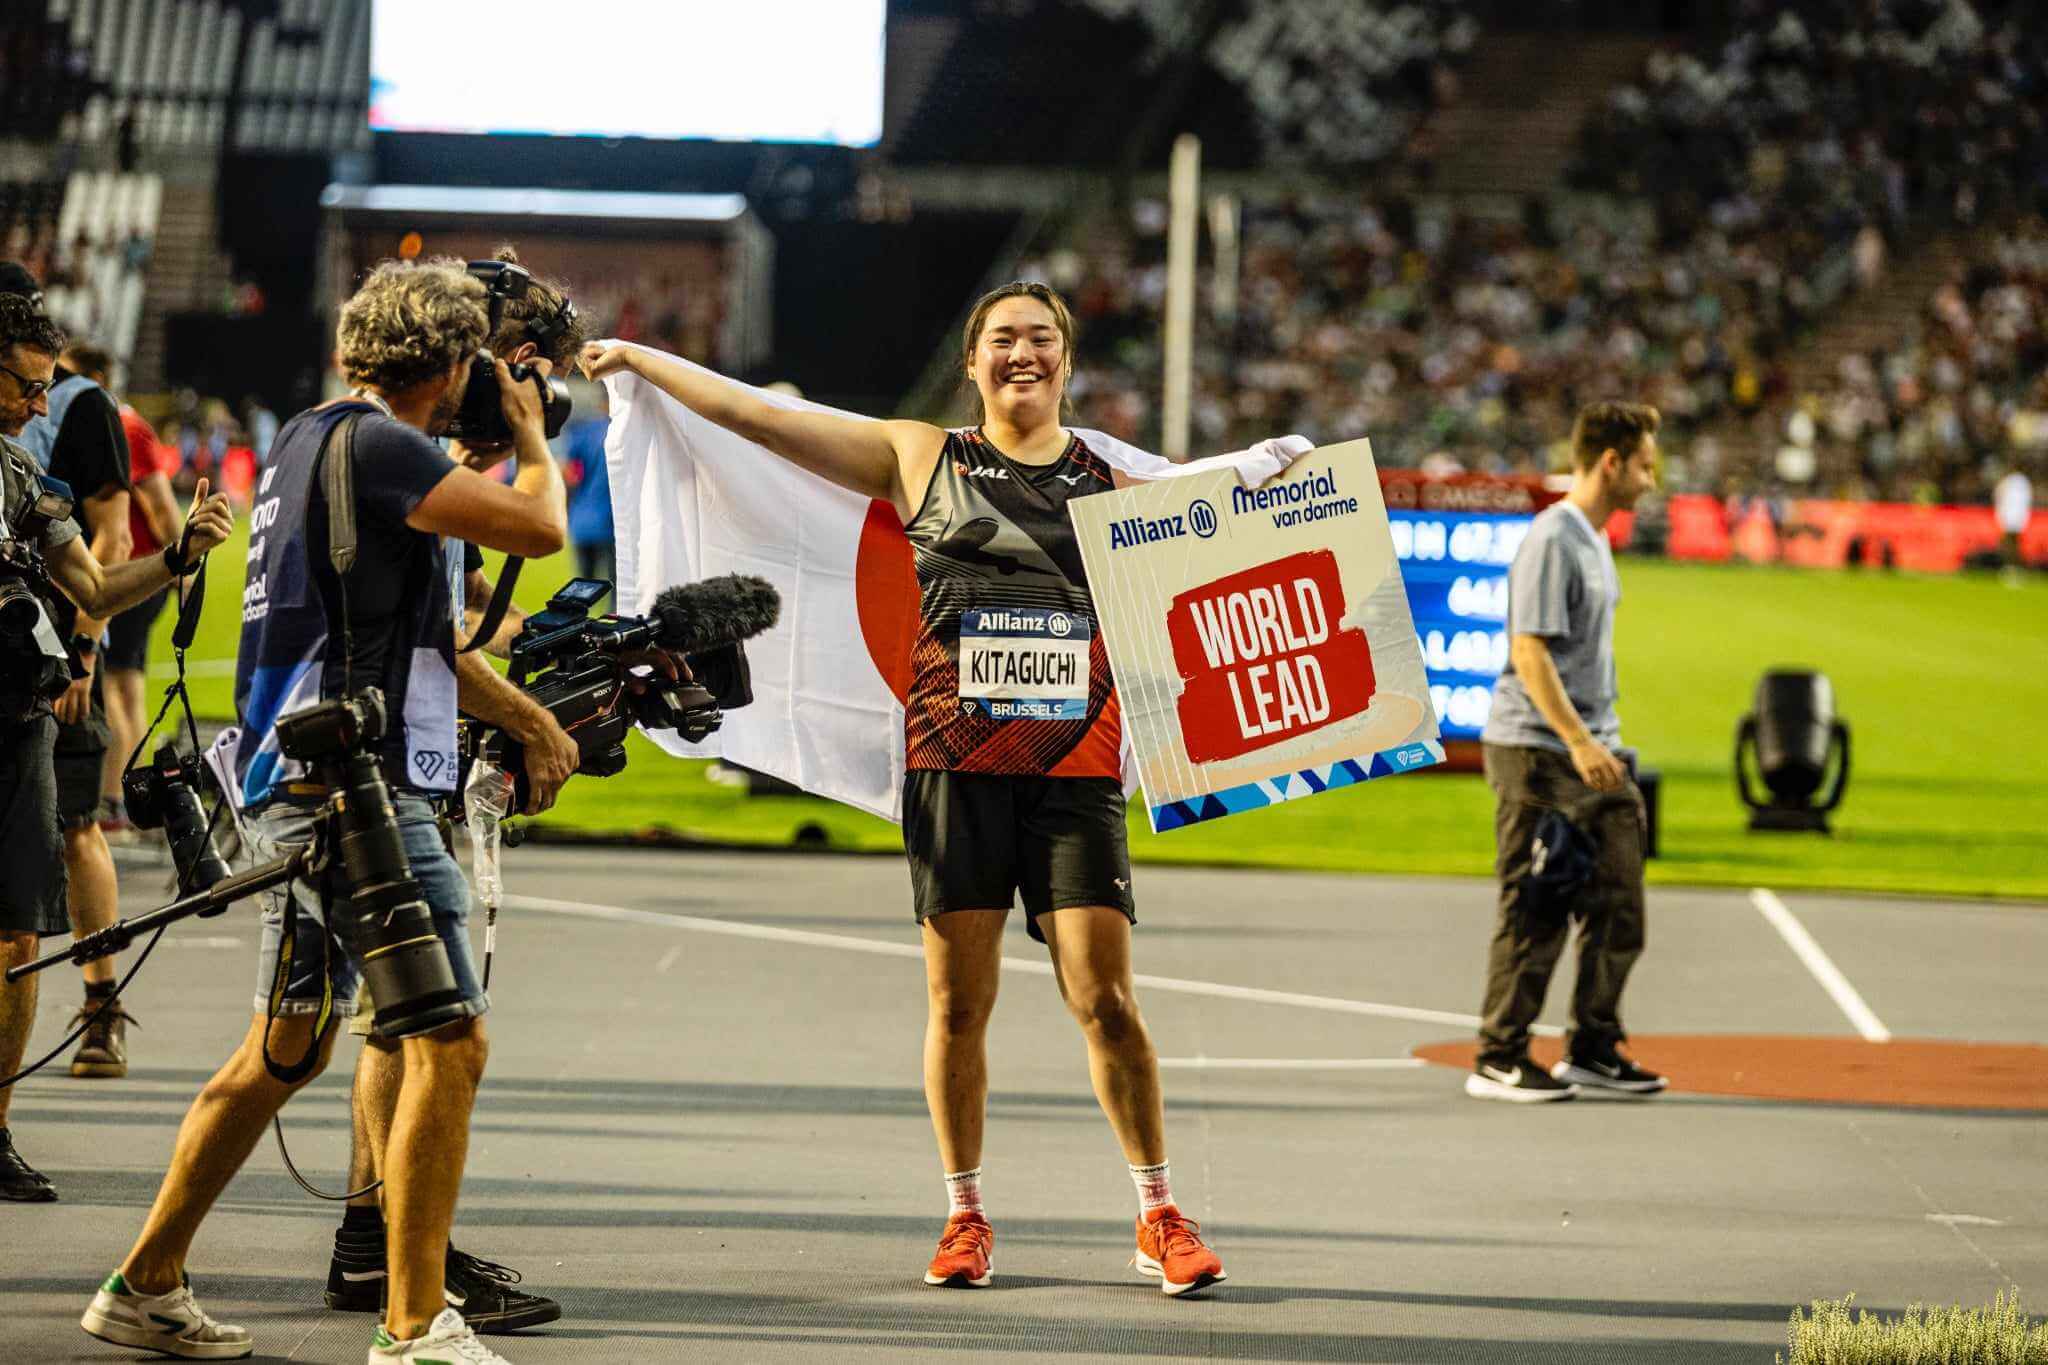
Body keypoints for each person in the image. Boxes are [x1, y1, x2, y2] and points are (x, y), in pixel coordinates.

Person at [581, 281, 1229, 1297]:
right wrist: (643, 363)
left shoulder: (1114, 476)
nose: (1024, 354)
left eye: (1043, 340)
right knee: (957, 1003)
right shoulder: (919, 455)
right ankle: (964, 1216)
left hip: (1074, 772)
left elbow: (1227, 509)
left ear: (1067, 359)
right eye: (1004, 340)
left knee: (1103, 998)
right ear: (973, 361)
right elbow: (761, 417)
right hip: (952, 769)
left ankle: (1158, 1213)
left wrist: (1287, 476)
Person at [78, 258, 568, 1365]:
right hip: (363, 788)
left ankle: (144, 1282)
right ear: (448, 362)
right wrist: (533, 440)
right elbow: (537, 527)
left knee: (283, 1050)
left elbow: (416, 618)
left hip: (294, 780)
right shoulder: (388, 445)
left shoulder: (310, 436)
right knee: (450, 1038)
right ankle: (411, 1324)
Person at [322, 246, 587, 1338]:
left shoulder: (386, 447)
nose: (538, 395)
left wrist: (566, 649)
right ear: (491, 362)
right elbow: (439, 631)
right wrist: (534, 721)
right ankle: (393, 1265)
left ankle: (370, 1238)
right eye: (531, 374)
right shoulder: (390, 452)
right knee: (424, 1026)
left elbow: (466, 609)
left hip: (379, 759)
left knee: (388, 1025)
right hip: (392, 766)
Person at [0, 295, 235, 1203]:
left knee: (17, 926)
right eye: (27, 385)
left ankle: (0, 1128)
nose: (37, 403)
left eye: (45, 386)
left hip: (16, 722)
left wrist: (176, 557)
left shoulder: (21, 474)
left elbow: (96, 578)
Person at [1467, 401, 1666, 1104]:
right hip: (1537, 748)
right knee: (1537, 899)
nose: (1652, 476)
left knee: (1620, 895)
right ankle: (1499, 1053)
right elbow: (1528, 651)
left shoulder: (1594, 537)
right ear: (1611, 462)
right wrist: (1580, 740)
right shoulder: (1554, 536)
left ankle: (1592, 1045)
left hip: (1591, 749)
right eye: (1645, 463)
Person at [1, 267, 137, 1085]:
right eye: (29, 385)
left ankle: (99, 1001)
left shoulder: (79, 407)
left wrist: (85, 646)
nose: (40, 401)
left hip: (46, 666)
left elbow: (110, 541)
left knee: (76, 830)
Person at [49, 344, 183, 845]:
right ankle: (127, 797)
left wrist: (180, 568)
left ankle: (114, 800)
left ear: (96, 377)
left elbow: (161, 507)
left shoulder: (118, 423)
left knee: (115, 687)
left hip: (126, 575)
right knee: (126, 686)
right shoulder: (122, 423)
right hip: (133, 573)